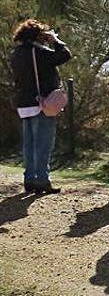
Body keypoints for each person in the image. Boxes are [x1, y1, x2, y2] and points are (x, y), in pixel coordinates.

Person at [10, 19, 72, 194]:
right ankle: (42, 180)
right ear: (38, 35)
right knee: (43, 143)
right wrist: (55, 40)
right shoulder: (39, 52)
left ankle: (29, 180)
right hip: (41, 103)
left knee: (29, 144)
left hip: (23, 103)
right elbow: (65, 55)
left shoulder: (17, 54)